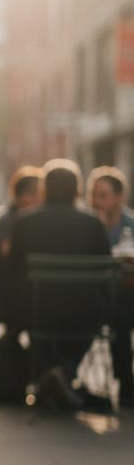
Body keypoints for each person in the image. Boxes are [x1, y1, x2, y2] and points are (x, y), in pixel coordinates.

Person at [6, 159, 111, 409]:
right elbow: (105, 270)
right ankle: (64, 370)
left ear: (44, 190)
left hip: (35, 310)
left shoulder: (25, 222)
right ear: (77, 191)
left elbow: (12, 269)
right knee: (94, 315)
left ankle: (50, 375)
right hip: (84, 314)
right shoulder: (93, 224)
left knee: (36, 316)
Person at [87, 166, 134, 406]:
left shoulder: (130, 224)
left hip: (123, 296)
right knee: (121, 312)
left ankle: (125, 380)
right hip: (92, 301)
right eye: (93, 195)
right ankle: (126, 381)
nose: (96, 201)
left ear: (119, 197)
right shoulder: (86, 225)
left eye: (103, 195)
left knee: (123, 308)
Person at [0, 165, 42, 324]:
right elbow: (12, 256)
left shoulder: (11, 220)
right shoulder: (9, 223)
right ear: (26, 197)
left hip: (9, 297)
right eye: (41, 195)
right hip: (1, 301)